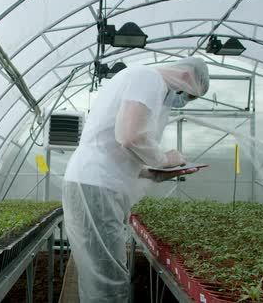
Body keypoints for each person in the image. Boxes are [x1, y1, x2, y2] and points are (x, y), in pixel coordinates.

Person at [62, 57, 210, 302]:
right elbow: (130, 137)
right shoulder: (148, 79)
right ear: (185, 77)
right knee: (108, 278)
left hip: (93, 182)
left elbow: (117, 147)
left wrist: (151, 173)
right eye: (187, 95)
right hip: (97, 184)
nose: (181, 100)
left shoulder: (138, 79)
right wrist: (166, 159)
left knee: (98, 273)